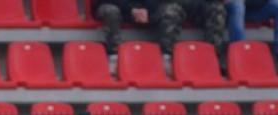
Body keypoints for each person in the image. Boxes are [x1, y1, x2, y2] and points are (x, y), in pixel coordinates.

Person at [93, 0, 227, 71]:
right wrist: (133, 10)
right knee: (170, 11)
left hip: (190, 5)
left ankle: (212, 60)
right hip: (121, 6)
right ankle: (115, 58)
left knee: (217, 9)